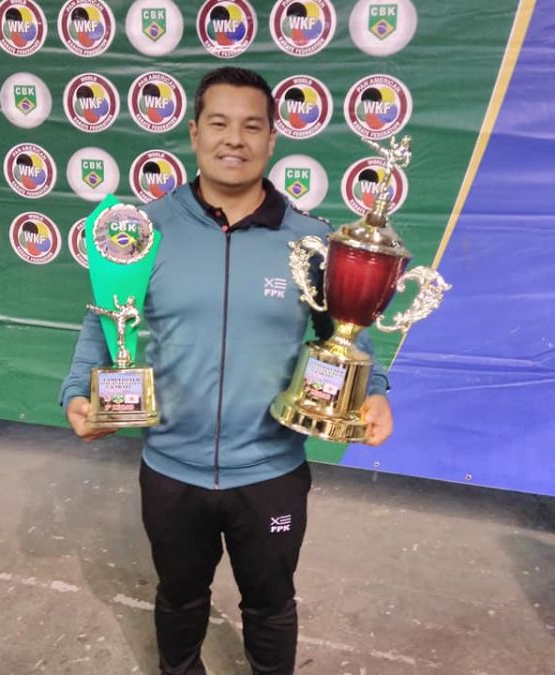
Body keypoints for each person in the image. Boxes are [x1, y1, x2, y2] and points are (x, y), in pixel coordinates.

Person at [60, 66, 394, 675]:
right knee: (179, 598)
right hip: (171, 469)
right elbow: (104, 320)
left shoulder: (311, 242)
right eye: (219, 123)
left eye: (251, 126)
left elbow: (346, 332)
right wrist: (77, 392)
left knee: (270, 604)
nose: (234, 139)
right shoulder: (144, 231)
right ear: (194, 133)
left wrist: (374, 392)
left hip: (270, 471)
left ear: (272, 139)